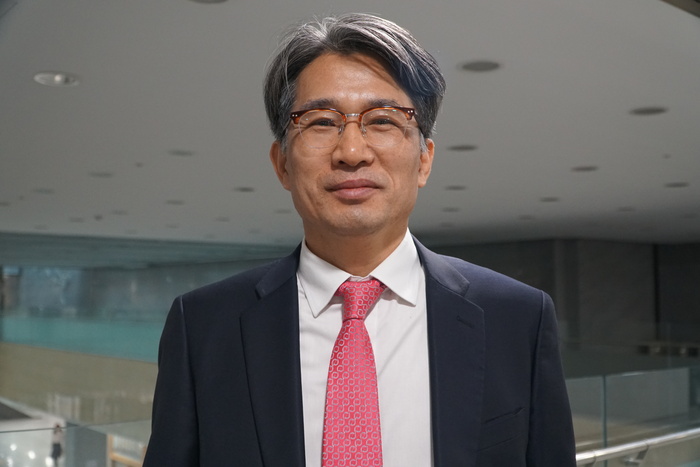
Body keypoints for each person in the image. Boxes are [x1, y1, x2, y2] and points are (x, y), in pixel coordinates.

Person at [143, 13, 576, 467]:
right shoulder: (205, 327)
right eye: (320, 122)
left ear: (424, 160)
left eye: (383, 120)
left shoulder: (516, 319)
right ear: (282, 164)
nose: (352, 152)